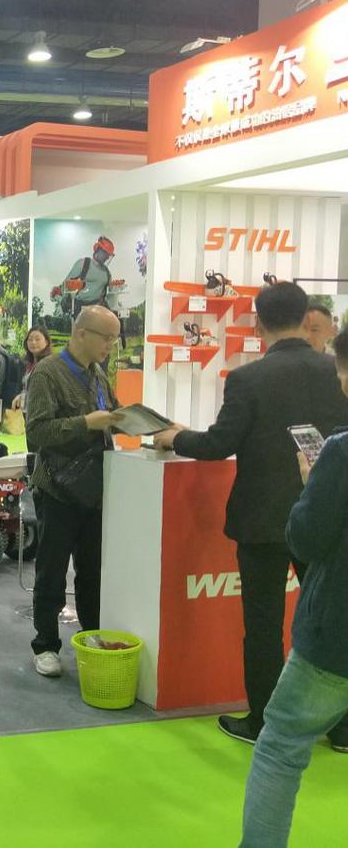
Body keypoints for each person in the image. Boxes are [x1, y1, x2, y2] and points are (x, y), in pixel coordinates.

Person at [156, 281, 348, 744]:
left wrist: (174, 436)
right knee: (334, 618)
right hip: (327, 514)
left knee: (263, 625)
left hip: (262, 521)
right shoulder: (335, 371)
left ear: (258, 323)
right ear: (307, 319)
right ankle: (342, 728)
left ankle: (262, 719)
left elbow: (218, 444)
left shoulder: (248, 378)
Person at [239, 330, 348, 848]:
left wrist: (312, 485)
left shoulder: (340, 454)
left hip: (336, 633)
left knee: (281, 744)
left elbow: (306, 538)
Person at [24, 305, 124, 677]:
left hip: (95, 490)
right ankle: (46, 644)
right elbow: (37, 433)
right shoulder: (47, 373)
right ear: (81, 333)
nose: (110, 346)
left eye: (114, 339)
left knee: (92, 571)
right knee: (51, 572)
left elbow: (111, 413)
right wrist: (85, 423)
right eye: (106, 338)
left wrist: (136, 422)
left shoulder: (97, 374)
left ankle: (91, 637)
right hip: (58, 490)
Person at [61, 236, 115, 318]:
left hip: (97, 309)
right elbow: (66, 285)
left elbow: (111, 293)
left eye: (108, 255)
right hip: (79, 308)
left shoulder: (107, 273)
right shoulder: (83, 264)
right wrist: (64, 301)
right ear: (97, 249)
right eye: (105, 253)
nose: (107, 257)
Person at [12, 325, 53, 411]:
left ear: (46, 342)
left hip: (41, 412)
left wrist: (23, 396)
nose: (33, 342)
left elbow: (45, 393)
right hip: (26, 411)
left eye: (37, 339)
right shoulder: (27, 363)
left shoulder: (49, 364)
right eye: (30, 340)